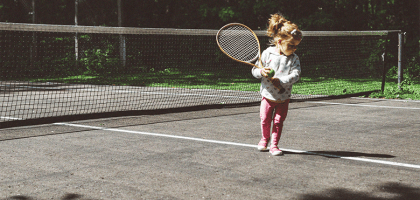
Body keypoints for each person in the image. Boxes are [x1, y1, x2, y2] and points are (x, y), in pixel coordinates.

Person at [251, 13, 302, 156]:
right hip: (267, 96)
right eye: (291, 45)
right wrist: (261, 72)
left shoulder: (294, 58)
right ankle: (264, 139)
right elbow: (254, 71)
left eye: (296, 46)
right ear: (279, 41)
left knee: (278, 122)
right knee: (265, 120)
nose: (294, 49)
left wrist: (281, 80)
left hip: (283, 98)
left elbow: (296, 75)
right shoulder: (267, 54)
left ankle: (274, 145)